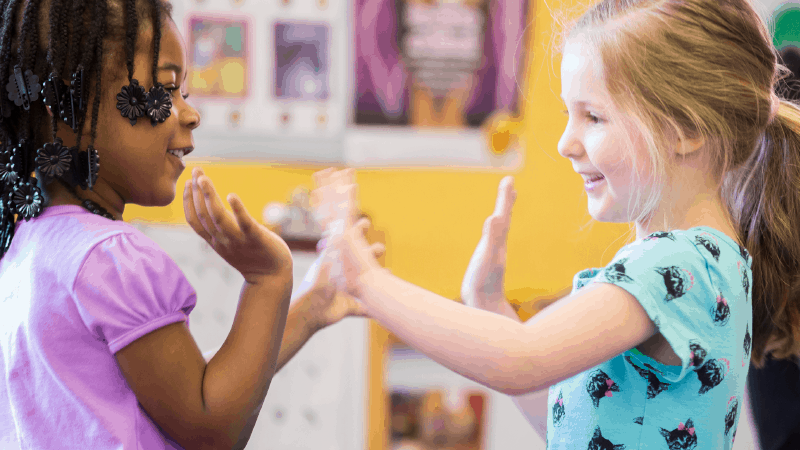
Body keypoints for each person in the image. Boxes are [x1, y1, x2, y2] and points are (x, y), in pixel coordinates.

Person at [314, 0, 800, 447]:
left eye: (593, 117)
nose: (567, 142)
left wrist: (367, 281)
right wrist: (489, 305)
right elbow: (575, 424)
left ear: (687, 131)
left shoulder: (674, 265)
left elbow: (520, 360)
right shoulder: (708, 261)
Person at [0, 1, 376, 449]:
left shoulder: (29, 249)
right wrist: (268, 279)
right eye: (165, 89)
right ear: (69, 107)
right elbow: (211, 428)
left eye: (185, 94)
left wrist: (310, 308)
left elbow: (189, 391)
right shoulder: (112, 258)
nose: (191, 114)